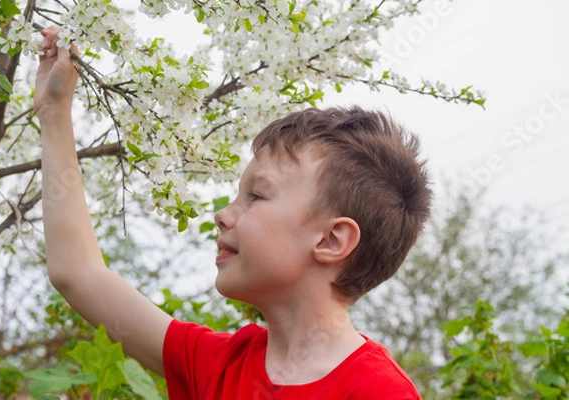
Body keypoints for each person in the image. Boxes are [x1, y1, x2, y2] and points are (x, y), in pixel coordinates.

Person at [35, 25, 431, 399]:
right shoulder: (219, 365)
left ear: (330, 240)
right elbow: (78, 274)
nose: (223, 214)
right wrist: (54, 111)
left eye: (256, 196)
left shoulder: (376, 389)